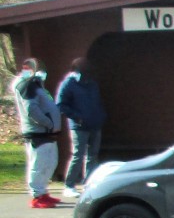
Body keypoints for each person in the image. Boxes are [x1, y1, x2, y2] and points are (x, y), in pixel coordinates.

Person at [10, 58, 62, 208]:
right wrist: (48, 123)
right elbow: (31, 110)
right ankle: (37, 196)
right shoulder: (27, 86)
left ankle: (43, 192)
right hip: (38, 133)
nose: (43, 73)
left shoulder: (36, 86)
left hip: (47, 133)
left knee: (50, 163)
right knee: (38, 165)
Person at [55, 57, 107, 197]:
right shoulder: (68, 84)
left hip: (95, 124)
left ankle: (88, 183)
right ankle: (69, 185)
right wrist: (77, 117)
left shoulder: (92, 83)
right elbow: (61, 105)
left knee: (92, 156)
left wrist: (101, 116)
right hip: (79, 126)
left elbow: (97, 102)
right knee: (78, 155)